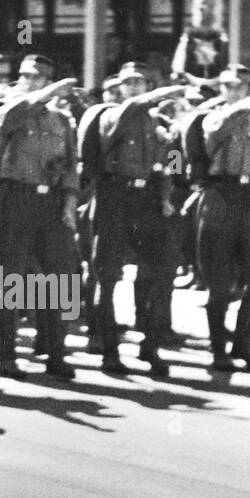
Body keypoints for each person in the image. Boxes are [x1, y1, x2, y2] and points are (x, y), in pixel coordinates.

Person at [0, 55, 80, 379]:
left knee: (58, 279)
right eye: (25, 77)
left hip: (50, 203)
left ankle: (55, 353)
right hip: (16, 197)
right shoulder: (6, 108)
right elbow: (6, 121)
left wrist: (69, 202)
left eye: (37, 77)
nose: (29, 82)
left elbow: (70, 163)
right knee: (10, 279)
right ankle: (7, 354)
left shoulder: (62, 120)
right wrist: (47, 92)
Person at [91, 62, 186, 377]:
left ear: (147, 85)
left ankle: (151, 344)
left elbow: (168, 162)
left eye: (139, 82)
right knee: (108, 276)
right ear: (119, 87)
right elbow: (130, 109)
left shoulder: (157, 122)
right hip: (115, 196)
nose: (133, 87)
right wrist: (161, 94)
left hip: (147, 200)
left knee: (161, 271)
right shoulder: (111, 113)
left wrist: (166, 196)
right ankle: (109, 351)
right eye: (127, 82)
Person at [190, 65, 250, 374]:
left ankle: (243, 345)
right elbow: (217, 133)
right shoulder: (214, 118)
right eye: (229, 85)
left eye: (241, 85)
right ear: (221, 89)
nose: (235, 90)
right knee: (220, 283)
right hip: (220, 198)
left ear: (249, 87)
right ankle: (218, 351)